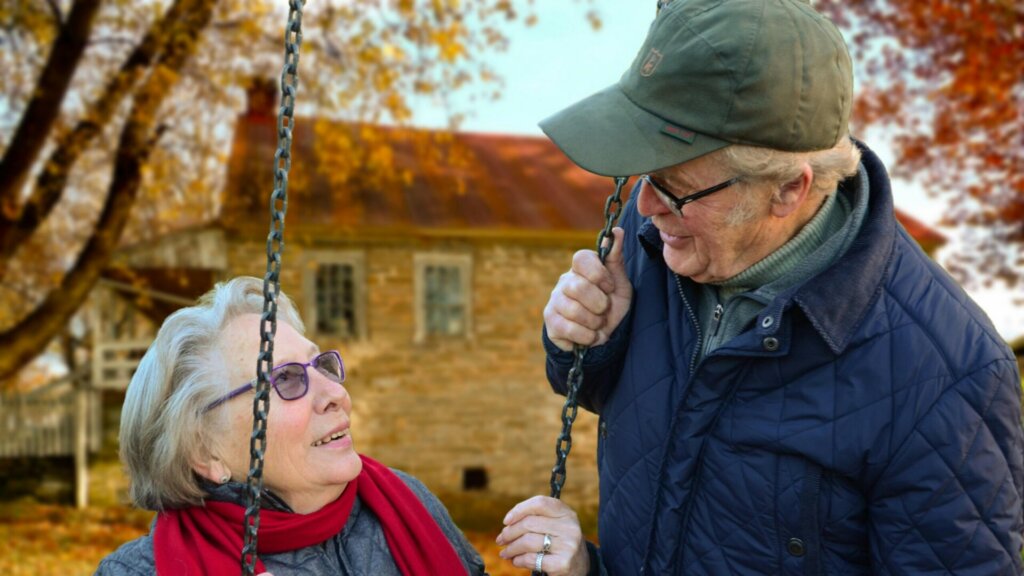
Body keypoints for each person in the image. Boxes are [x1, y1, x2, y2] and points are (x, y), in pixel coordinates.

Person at [500, 0, 1024, 574]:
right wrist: (586, 343)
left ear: (787, 192)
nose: (646, 207)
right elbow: (641, 411)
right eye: (643, 176)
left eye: (675, 188)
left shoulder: (948, 376)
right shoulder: (660, 234)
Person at [96, 276, 486, 575]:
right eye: (285, 379)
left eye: (320, 366)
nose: (334, 392)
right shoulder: (138, 572)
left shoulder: (408, 502)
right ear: (204, 451)